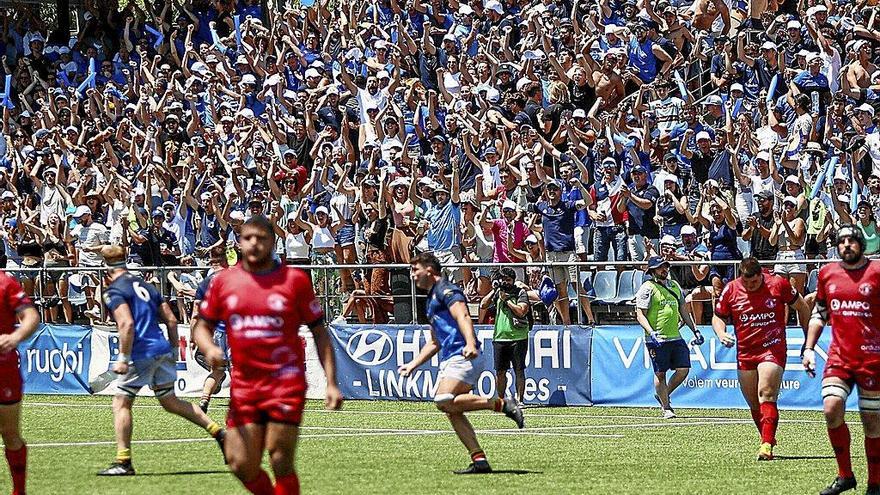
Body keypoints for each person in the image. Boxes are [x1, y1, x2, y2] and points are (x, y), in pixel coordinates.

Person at [192, 215, 343, 495]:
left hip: (285, 383)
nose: (254, 243)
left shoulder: (294, 281)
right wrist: (210, 347)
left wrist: (332, 382)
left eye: (261, 238)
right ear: (238, 242)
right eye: (248, 237)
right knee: (239, 463)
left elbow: (319, 332)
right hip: (245, 386)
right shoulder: (224, 282)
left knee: (280, 457)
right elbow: (201, 326)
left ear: (273, 241)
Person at [97, 245, 225, 476]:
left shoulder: (114, 290)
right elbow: (171, 320)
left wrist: (123, 357)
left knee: (121, 403)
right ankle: (218, 432)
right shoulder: (145, 285)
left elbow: (125, 324)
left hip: (141, 351)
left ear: (106, 269)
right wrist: (175, 350)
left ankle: (123, 461)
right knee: (170, 402)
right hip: (163, 348)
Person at [400, 252, 524, 474]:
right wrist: (413, 364)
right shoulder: (430, 300)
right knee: (451, 409)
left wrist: (470, 343)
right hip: (451, 357)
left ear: (429, 270)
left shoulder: (447, 290)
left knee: (442, 399)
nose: (412, 275)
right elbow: (435, 342)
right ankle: (479, 459)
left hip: (464, 354)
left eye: (414, 269)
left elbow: (464, 316)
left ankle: (502, 404)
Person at [803, 225, 880, 495]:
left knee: (872, 423)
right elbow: (820, 312)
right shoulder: (827, 273)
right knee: (831, 409)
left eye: (851, 240)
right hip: (840, 357)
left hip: (872, 358)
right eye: (841, 241)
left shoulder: (877, 272)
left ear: (861, 244)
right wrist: (809, 348)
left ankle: (875, 483)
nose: (846, 245)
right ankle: (845, 475)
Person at [712, 257, 811, 460]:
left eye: (755, 282)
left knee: (766, 393)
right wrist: (721, 333)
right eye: (746, 283)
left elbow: (802, 306)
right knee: (754, 405)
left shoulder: (777, 284)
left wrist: (808, 338)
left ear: (761, 276)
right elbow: (718, 316)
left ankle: (766, 446)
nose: (750, 286)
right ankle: (768, 437)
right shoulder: (731, 289)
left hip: (772, 349)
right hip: (746, 352)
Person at [635, 256, 703, 419]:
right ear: (652, 271)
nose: (664, 270)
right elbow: (640, 314)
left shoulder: (674, 286)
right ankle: (666, 407)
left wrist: (695, 330)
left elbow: (683, 311)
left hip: (675, 336)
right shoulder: (647, 288)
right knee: (660, 373)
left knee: (684, 369)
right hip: (657, 338)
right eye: (660, 268)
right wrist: (651, 332)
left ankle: (663, 394)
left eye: (665, 267)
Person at [0, 268, 40, 495]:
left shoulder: (5, 283)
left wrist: (15, 337)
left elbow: (31, 316)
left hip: (3, 368)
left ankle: (19, 491)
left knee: (10, 432)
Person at [480, 267, 531, 405]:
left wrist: (507, 300)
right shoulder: (498, 293)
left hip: (518, 336)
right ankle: (501, 399)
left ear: (513, 280)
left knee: (519, 370)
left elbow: (521, 311)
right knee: (500, 372)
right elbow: (482, 305)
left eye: (508, 280)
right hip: (500, 337)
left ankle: (520, 400)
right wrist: (494, 291)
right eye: (503, 280)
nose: (505, 282)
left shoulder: (520, 292)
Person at [191, 245, 230, 413]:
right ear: (227, 261)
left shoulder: (204, 283)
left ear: (212, 262)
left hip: (216, 331)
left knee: (218, 370)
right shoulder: (236, 277)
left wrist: (193, 336)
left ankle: (204, 400)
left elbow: (195, 314)